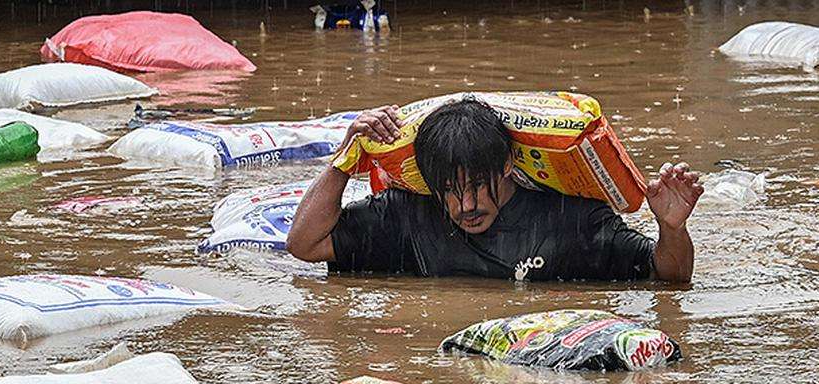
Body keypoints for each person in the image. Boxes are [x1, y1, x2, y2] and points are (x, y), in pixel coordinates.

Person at [286, 99, 701, 282]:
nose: (466, 205)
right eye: (449, 191)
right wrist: (345, 158)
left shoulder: (571, 220)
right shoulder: (406, 216)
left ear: (507, 166)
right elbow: (305, 244)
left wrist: (671, 228)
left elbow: (669, 276)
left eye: (477, 188)